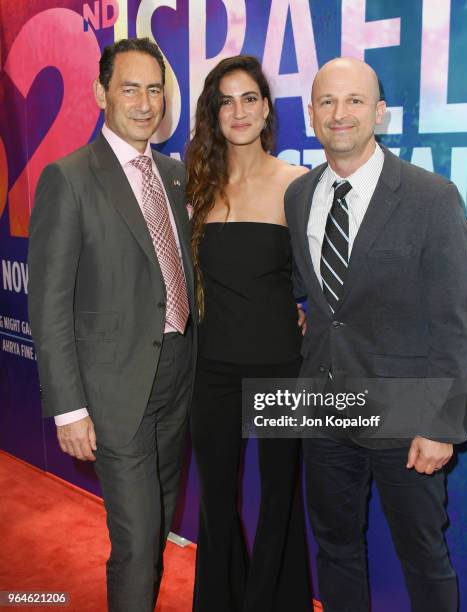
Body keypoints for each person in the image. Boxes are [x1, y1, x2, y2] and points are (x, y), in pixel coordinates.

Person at [285, 56, 467, 612]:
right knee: (335, 548)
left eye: (355, 101)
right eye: (327, 102)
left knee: (423, 556)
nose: (339, 114)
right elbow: (314, 295)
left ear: (380, 114)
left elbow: (453, 321)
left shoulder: (431, 197)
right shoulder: (299, 197)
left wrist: (440, 425)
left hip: (405, 419)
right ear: (311, 114)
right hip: (323, 413)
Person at [28, 38, 195, 612]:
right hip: (113, 393)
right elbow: (48, 302)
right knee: (137, 540)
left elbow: (175, 273)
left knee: (158, 528)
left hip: (177, 381)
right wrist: (69, 408)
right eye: (130, 88)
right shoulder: (68, 177)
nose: (145, 103)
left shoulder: (174, 175)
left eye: (155, 89)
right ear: (102, 93)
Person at [185, 55, 313, 612]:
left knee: (280, 498)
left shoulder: (297, 184)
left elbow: (321, 278)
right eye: (225, 101)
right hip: (211, 369)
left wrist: (304, 310)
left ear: (266, 110)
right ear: (213, 114)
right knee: (215, 499)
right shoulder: (197, 187)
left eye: (249, 99)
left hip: (279, 366)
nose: (238, 112)